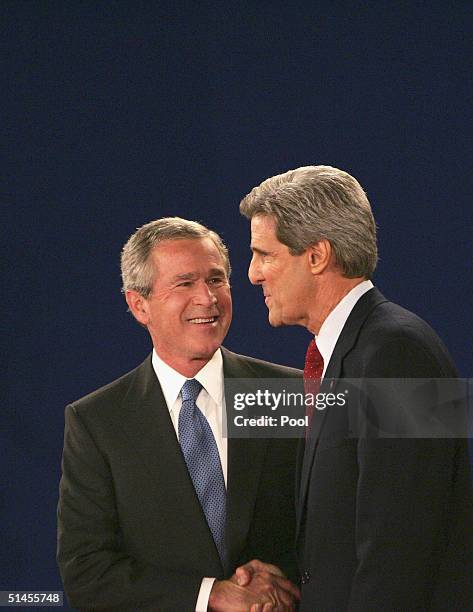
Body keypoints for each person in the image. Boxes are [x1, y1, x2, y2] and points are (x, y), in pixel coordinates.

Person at [238, 166, 473, 611]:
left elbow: (401, 553)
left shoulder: (399, 352)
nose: (253, 274)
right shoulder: (352, 351)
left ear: (317, 256)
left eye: (265, 254)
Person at [57, 217, 301, 611]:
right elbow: (86, 570)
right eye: (185, 283)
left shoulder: (286, 393)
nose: (208, 298)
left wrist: (277, 582)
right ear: (139, 305)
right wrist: (210, 594)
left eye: (217, 280)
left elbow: (338, 523)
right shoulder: (99, 422)